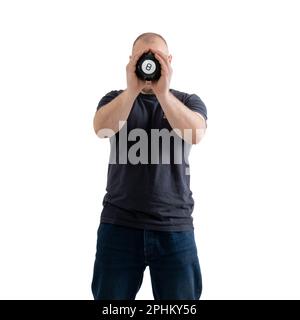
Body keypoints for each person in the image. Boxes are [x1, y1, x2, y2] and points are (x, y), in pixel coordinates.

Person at [91, 32, 208, 300]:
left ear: (168, 60)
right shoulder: (114, 99)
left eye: (155, 56)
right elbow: (101, 128)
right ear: (131, 61)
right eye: (142, 56)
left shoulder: (188, 101)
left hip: (174, 226)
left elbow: (196, 134)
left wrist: (162, 92)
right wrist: (132, 90)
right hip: (119, 224)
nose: (148, 62)